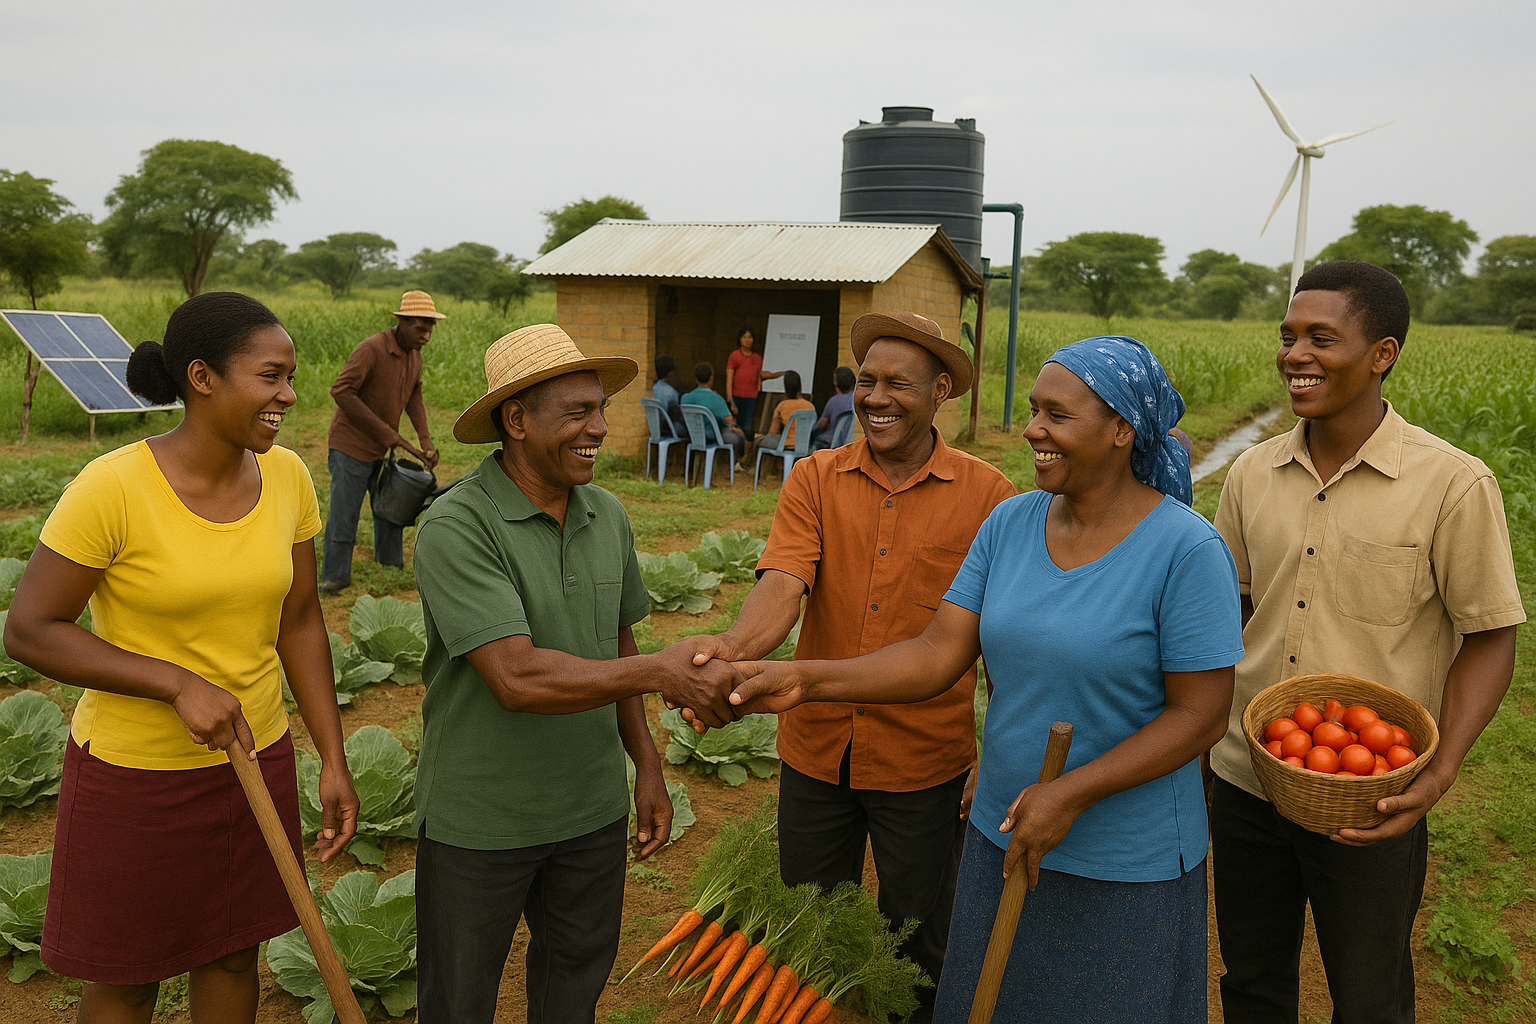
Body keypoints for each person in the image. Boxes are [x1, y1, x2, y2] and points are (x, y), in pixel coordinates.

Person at [717, 335, 1244, 1024]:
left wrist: (1072, 793)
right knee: (998, 1001)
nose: (1033, 430)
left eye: (1057, 415)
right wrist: (806, 680)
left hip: (1122, 853)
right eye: (1034, 411)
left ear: (1122, 429)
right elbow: (938, 652)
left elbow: (1201, 716)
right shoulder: (1012, 523)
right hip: (1006, 827)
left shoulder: (1186, 549)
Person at [2, 292, 359, 1024]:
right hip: (135, 779)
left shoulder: (287, 477)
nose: (289, 396)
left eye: (289, 378)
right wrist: (175, 683)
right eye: (270, 377)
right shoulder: (113, 487)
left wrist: (330, 753)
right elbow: (32, 628)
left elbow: (299, 622)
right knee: (128, 978)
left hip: (255, 760)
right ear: (203, 378)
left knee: (232, 954)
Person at [1209, 261, 1525, 1024]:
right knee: (1251, 980)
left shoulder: (1452, 484)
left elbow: (1489, 636)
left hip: (1374, 796)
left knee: (1369, 992)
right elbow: (1231, 610)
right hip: (1245, 777)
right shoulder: (1251, 473)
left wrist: (1437, 774)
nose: (1295, 354)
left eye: (1322, 337)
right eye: (1288, 336)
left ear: (1381, 353)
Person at [681, 312, 1015, 1023]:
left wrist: (995, 755)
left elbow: (1005, 644)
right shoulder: (815, 478)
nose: (876, 397)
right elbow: (782, 587)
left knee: (917, 940)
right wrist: (732, 654)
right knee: (808, 925)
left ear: (941, 390)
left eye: (899, 383)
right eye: (867, 380)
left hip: (925, 760)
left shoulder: (991, 497)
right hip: (816, 748)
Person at [410, 324, 745, 1024]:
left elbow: (619, 648)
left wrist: (645, 765)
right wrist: (663, 671)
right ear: (516, 420)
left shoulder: (608, 514)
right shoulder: (458, 525)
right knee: (459, 1002)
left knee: (573, 989)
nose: (599, 427)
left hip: (590, 810)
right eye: (577, 413)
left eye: (600, 408)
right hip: (482, 819)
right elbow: (516, 677)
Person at [321, 289, 444, 593]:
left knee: (390, 505)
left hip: (381, 449)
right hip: (350, 446)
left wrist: (425, 440)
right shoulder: (372, 349)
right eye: (420, 328)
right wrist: (390, 435)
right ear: (402, 321)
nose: (426, 336)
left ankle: (389, 567)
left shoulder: (414, 356)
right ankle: (335, 576)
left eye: (430, 329)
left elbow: (415, 396)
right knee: (344, 511)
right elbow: (341, 391)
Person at [681, 361, 747, 464]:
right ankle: (736, 463)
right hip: (710, 437)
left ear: (696, 378)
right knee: (737, 435)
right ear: (711, 378)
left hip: (691, 435)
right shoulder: (717, 399)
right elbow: (728, 420)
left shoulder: (685, 398)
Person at [725, 326, 784, 440]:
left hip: (751, 398)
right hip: (736, 397)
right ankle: (738, 454)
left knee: (747, 427)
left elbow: (760, 376)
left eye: (750, 337)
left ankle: (745, 455)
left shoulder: (757, 358)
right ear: (740, 339)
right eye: (745, 337)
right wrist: (730, 400)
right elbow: (729, 379)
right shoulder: (734, 356)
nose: (748, 340)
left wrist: (780, 373)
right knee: (735, 426)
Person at [748, 369, 815, 464]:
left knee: (758, 441)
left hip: (785, 444)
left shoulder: (782, 405)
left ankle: (750, 466)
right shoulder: (810, 406)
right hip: (804, 445)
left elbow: (772, 432)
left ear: (785, 388)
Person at [811, 365, 856, 449]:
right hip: (848, 441)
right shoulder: (856, 399)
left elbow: (823, 423)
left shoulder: (834, 401)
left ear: (836, 382)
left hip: (829, 442)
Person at [651, 353, 686, 434]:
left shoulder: (653, 388)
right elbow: (675, 414)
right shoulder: (671, 391)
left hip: (655, 427)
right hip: (669, 428)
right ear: (670, 372)